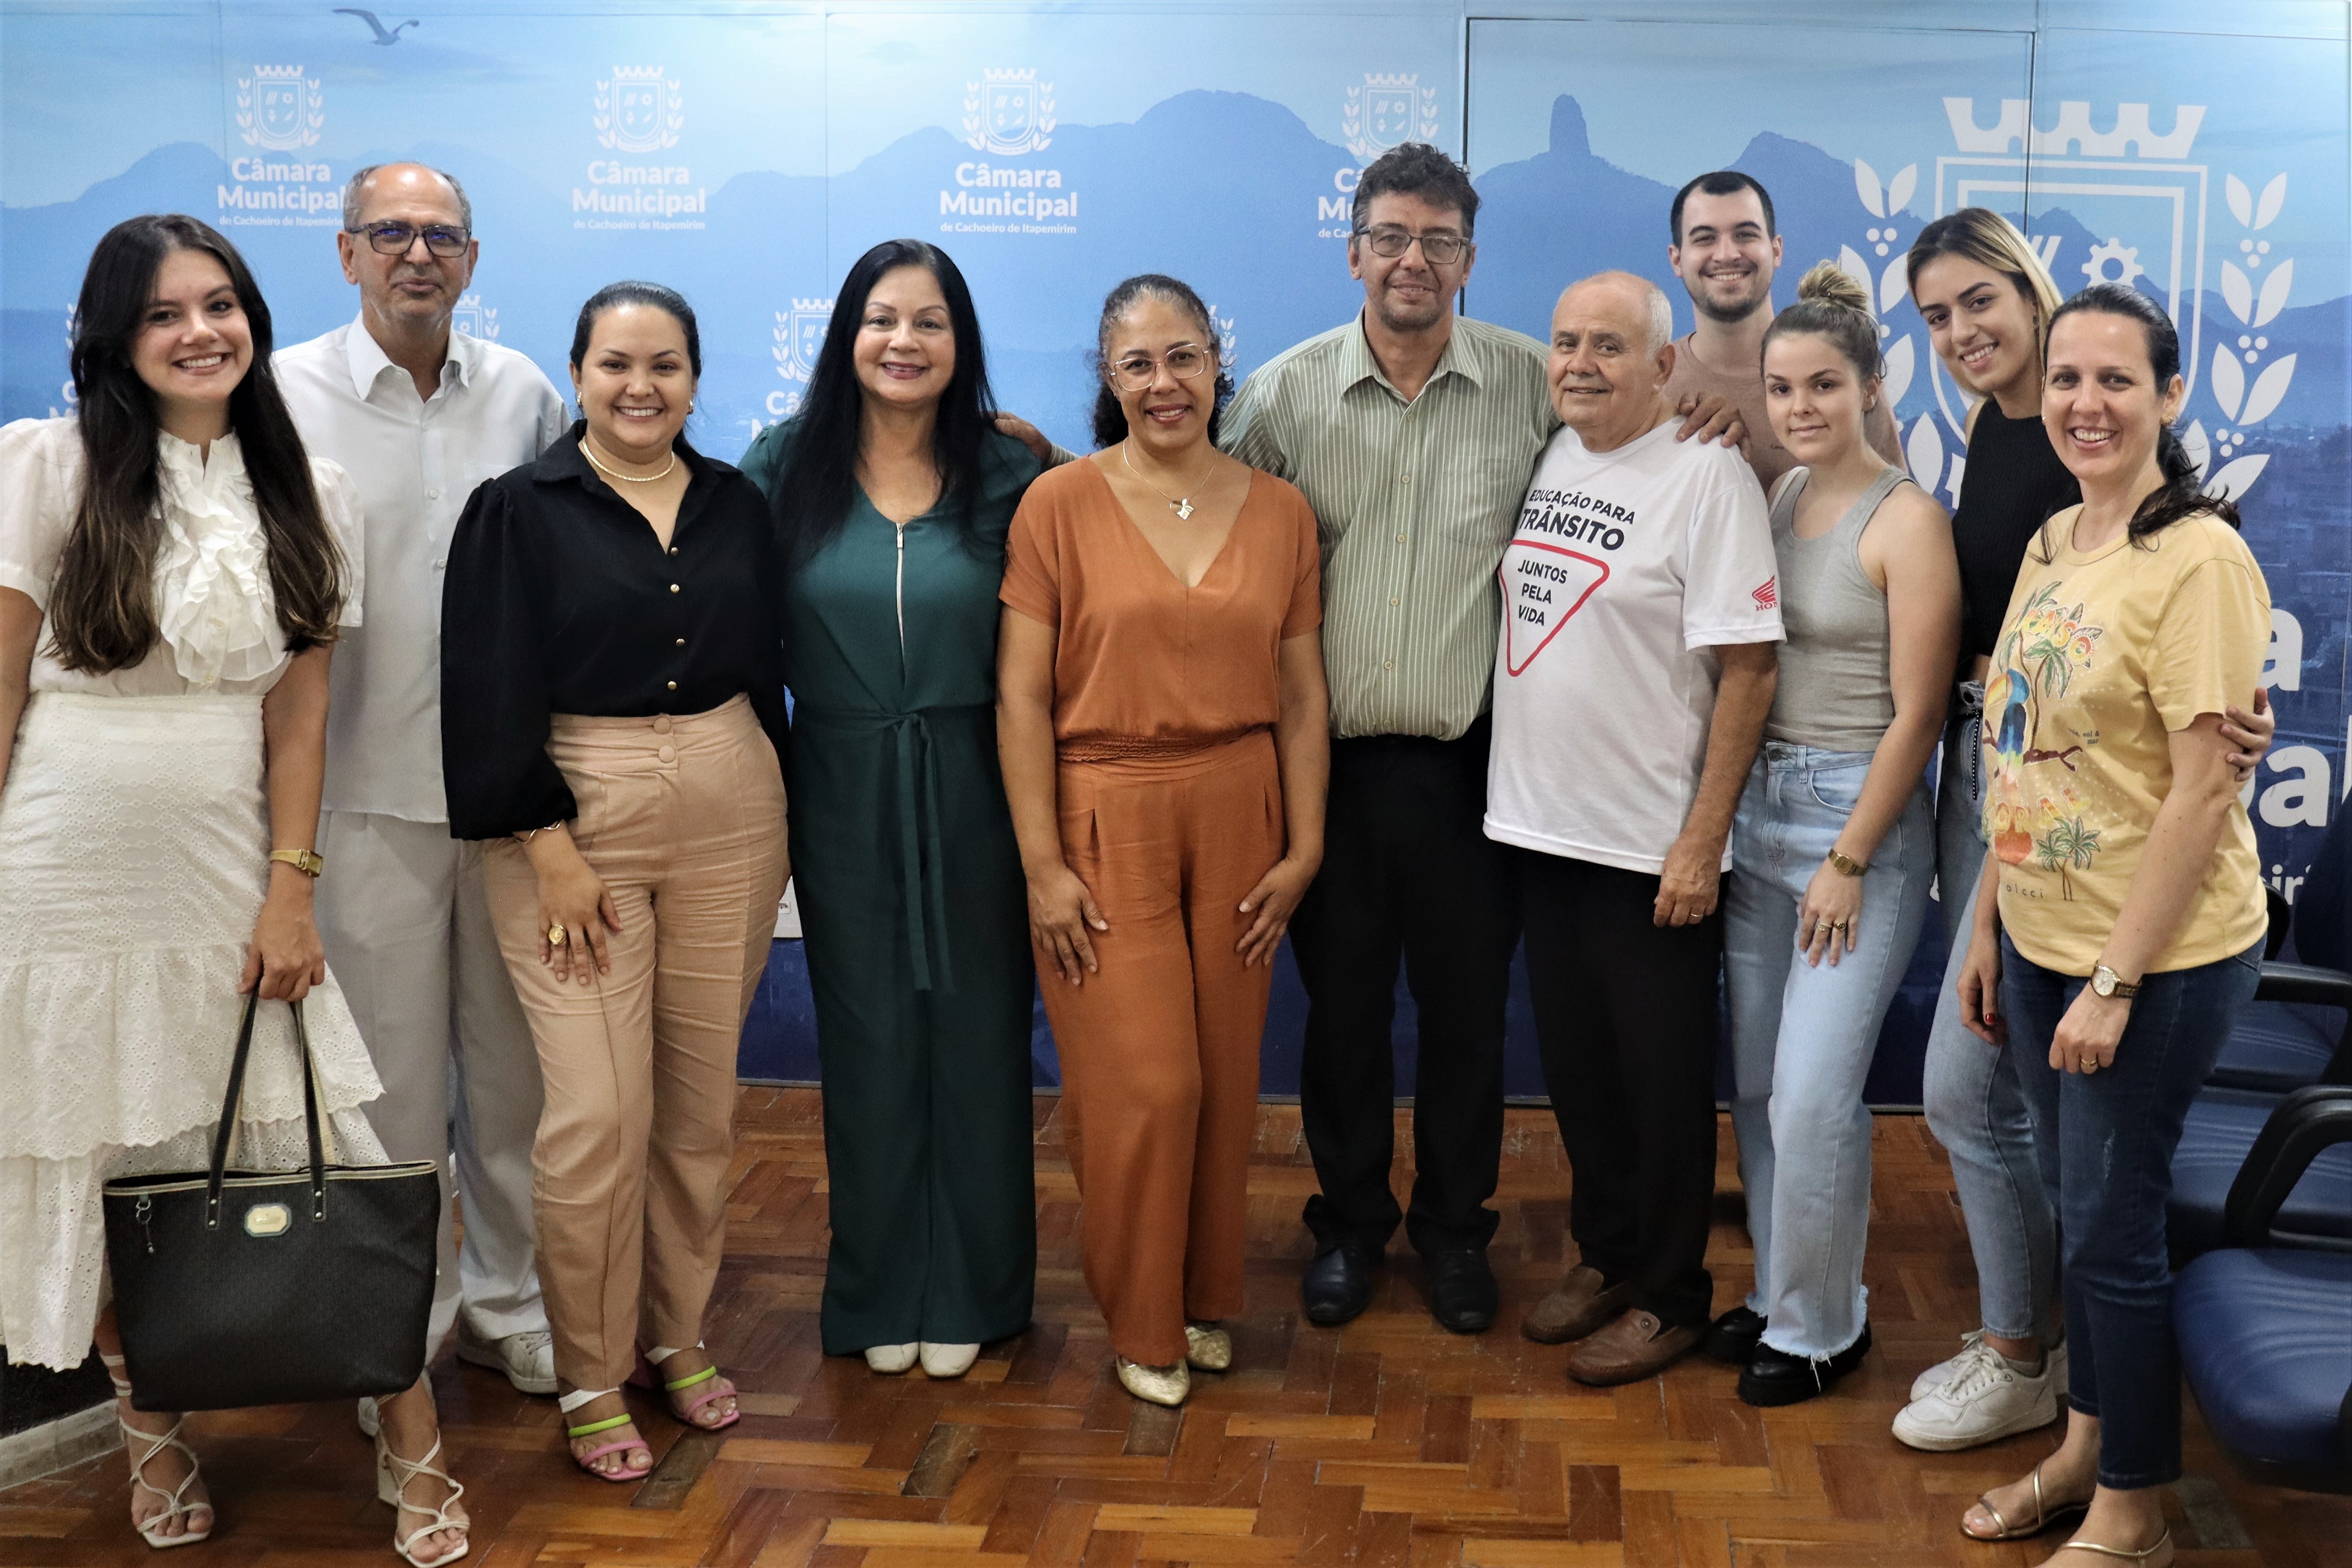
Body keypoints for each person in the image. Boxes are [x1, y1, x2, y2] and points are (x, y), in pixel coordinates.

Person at [0, 215, 466, 1564]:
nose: (200, 331)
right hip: (60, 869)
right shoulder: (40, 466)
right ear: (114, 339)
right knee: (94, 1168)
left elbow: (300, 726)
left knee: (313, 1139)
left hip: (227, 860)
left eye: (221, 304)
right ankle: (153, 1434)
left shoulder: (310, 489)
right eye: (164, 315)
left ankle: (409, 1431)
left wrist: (291, 892)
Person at [1225, 144, 1744, 1337]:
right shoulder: (1285, 395)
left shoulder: (1534, 380)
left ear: (1469, 257)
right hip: (1331, 770)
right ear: (1352, 249)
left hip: (1478, 773)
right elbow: (1190, 511)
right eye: (1392, 236)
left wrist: (1704, 400)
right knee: (1344, 1018)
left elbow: (1648, 429)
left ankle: (1456, 1231)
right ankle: (1351, 1227)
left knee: (1466, 1021)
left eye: (1440, 240)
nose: (1414, 260)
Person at [1896, 210, 2275, 1452]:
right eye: (2069, 380)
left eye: (2115, 380)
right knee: (2073, 1190)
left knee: (2094, 1211)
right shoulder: (2040, 506)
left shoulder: (2176, 535)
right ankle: (2079, 1433)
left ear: (2168, 392)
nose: (2084, 402)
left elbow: (2202, 765)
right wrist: (1999, 920)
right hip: (2037, 891)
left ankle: (2109, 1466)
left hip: (2141, 934)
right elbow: (2028, 722)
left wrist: (2112, 978)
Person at [440, 282, 788, 1480]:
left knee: (697, 1112)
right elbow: (485, 694)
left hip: (732, 806)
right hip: (570, 820)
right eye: (616, 364)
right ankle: (589, 1369)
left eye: (668, 366)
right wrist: (546, 846)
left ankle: (674, 1336)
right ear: (577, 373)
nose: (642, 387)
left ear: (696, 378)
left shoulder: (742, 504)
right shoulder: (516, 511)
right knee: (598, 1115)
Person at [997, 273, 1328, 1407]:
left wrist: (1306, 846)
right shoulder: (1057, 506)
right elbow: (1021, 700)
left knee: (1228, 1079)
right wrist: (1042, 863)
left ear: (1216, 366)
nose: (1163, 382)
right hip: (1103, 812)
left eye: (1182, 356)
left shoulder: (1281, 509)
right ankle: (1141, 1322)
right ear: (1108, 377)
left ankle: (1201, 1298)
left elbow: (1300, 693)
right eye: (1137, 362)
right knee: (1148, 1082)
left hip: (1243, 810)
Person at [276, 161, 566, 1406]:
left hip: (509, 800)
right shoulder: (280, 395)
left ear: (474, 256)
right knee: (387, 1097)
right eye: (389, 233)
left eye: (439, 234)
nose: (415, 254)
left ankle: (513, 1305)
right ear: (346, 254)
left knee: (517, 1082)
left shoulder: (525, 394)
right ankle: (401, 1328)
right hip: (362, 795)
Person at [738, 240, 1046, 1381]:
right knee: (865, 1037)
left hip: (980, 774)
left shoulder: (1008, 474)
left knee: (977, 1033)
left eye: (928, 321)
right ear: (846, 337)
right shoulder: (784, 463)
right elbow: (729, 628)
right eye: (880, 319)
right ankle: (876, 1290)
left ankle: (974, 1284)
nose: (903, 341)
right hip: (840, 777)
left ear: (959, 343)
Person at [1485, 271, 1782, 1387]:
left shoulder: (1709, 478)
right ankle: (1607, 1257)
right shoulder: (1556, 449)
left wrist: (1702, 841)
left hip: (1648, 847)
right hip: (1537, 829)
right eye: (1565, 342)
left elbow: (1750, 671)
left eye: (1610, 346)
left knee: (1659, 1088)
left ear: (1666, 367)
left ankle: (1672, 1296)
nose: (1579, 364)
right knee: (1581, 1076)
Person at [1711, 264, 1957, 1405]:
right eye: (1780, 388)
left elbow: (1919, 713)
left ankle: (1825, 1328)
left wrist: (1852, 859)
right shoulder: (1776, 497)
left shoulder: (1908, 519)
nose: (1799, 406)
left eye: (1823, 385)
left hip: (1855, 827)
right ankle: (1777, 1293)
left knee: (1814, 1093)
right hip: (1760, 812)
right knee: (1760, 1087)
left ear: (1869, 386)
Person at [1663, 171, 1904, 490]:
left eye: (1745, 235)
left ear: (1776, 250)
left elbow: (1895, 507)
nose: (1727, 254)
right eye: (1705, 238)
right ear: (1677, 259)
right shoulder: (1654, 384)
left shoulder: (1843, 373)